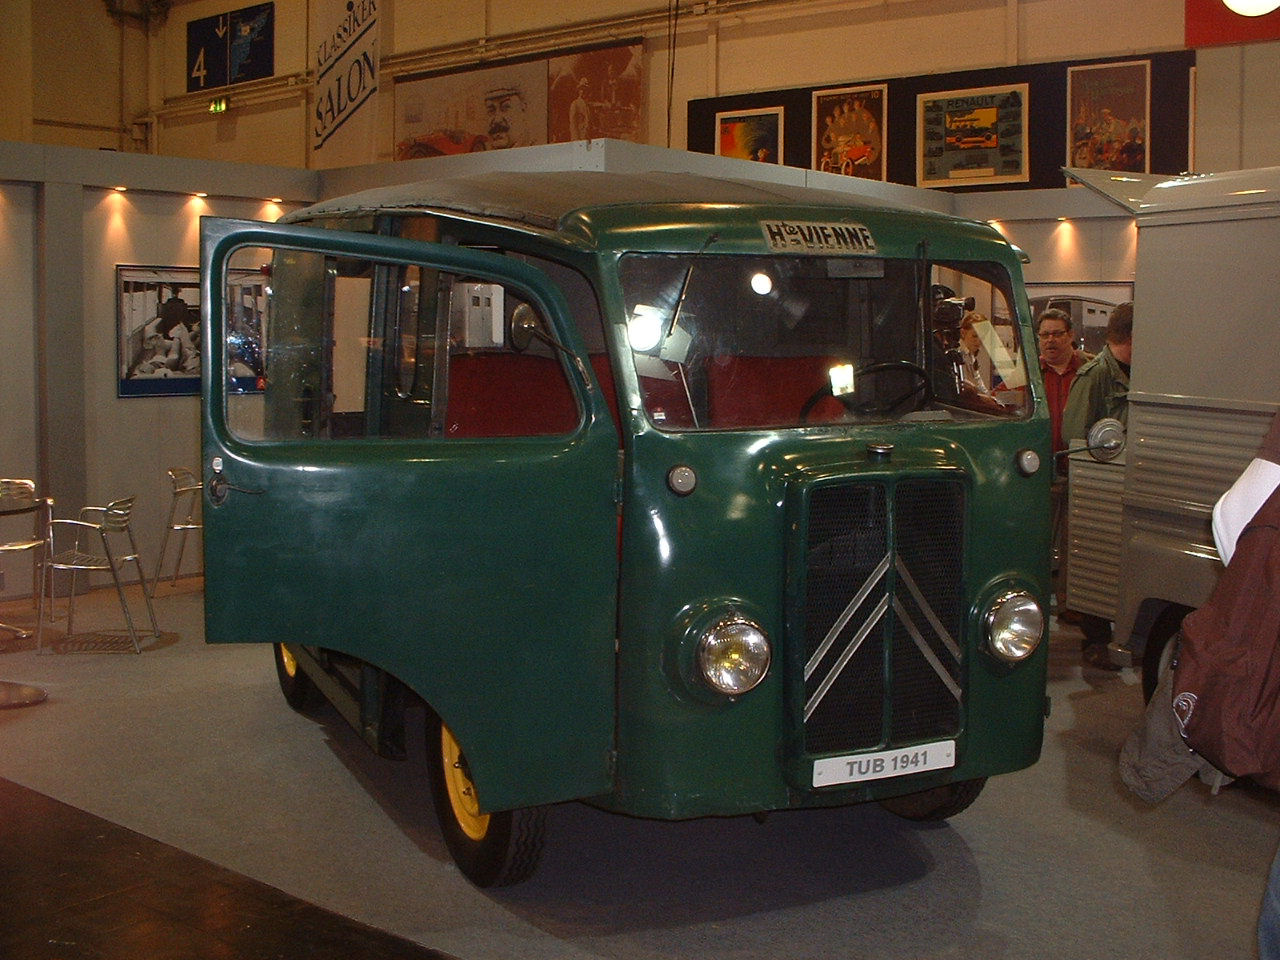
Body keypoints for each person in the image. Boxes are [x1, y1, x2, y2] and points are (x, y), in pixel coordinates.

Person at [1061, 301, 1133, 669]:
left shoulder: (1137, 373)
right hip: (1098, 487)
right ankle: (1095, 640)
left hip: (1127, 484)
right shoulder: (1096, 375)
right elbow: (1074, 435)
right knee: (1095, 561)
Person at [1038, 307, 1088, 622]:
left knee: (1076, 545)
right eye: (1045, 335)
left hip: (1080, 472)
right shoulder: (1028, 372)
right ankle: (1036, 601)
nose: (1051, 340)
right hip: (1040, 473)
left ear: (1070, 336)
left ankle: (1071, 606)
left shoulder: (1089, 371)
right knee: (1037, 540)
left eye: (1057, 333)